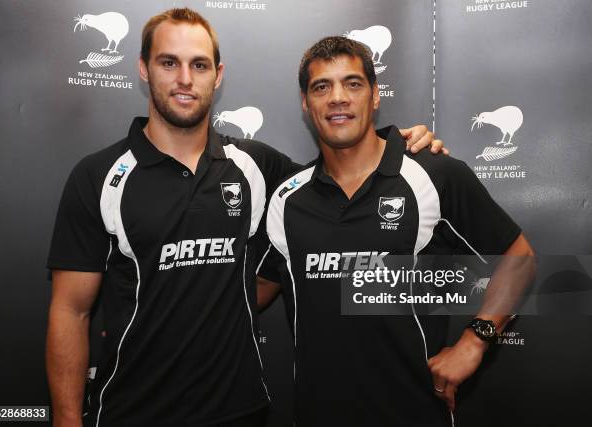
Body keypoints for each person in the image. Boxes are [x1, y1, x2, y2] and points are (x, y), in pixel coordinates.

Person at [45, 8, 443, 427]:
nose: (185, 78)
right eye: (169, 62)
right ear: (144, 69)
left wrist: (400, 147)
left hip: (241, 410)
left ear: (217, 76)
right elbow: (71, 313)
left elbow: (342, 175)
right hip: (132, 411)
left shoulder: (258, 168)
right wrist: (67, 420)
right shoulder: (98, 176)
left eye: (198, 65)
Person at [260, 36, 535, 427]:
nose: (338, 97)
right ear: (306, 103)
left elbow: (519, 258)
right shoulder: (287, 199)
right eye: (322, 86)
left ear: (374, 95)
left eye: (353, 84)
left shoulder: (435, 173)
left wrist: (474, 342)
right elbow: (254, 290)